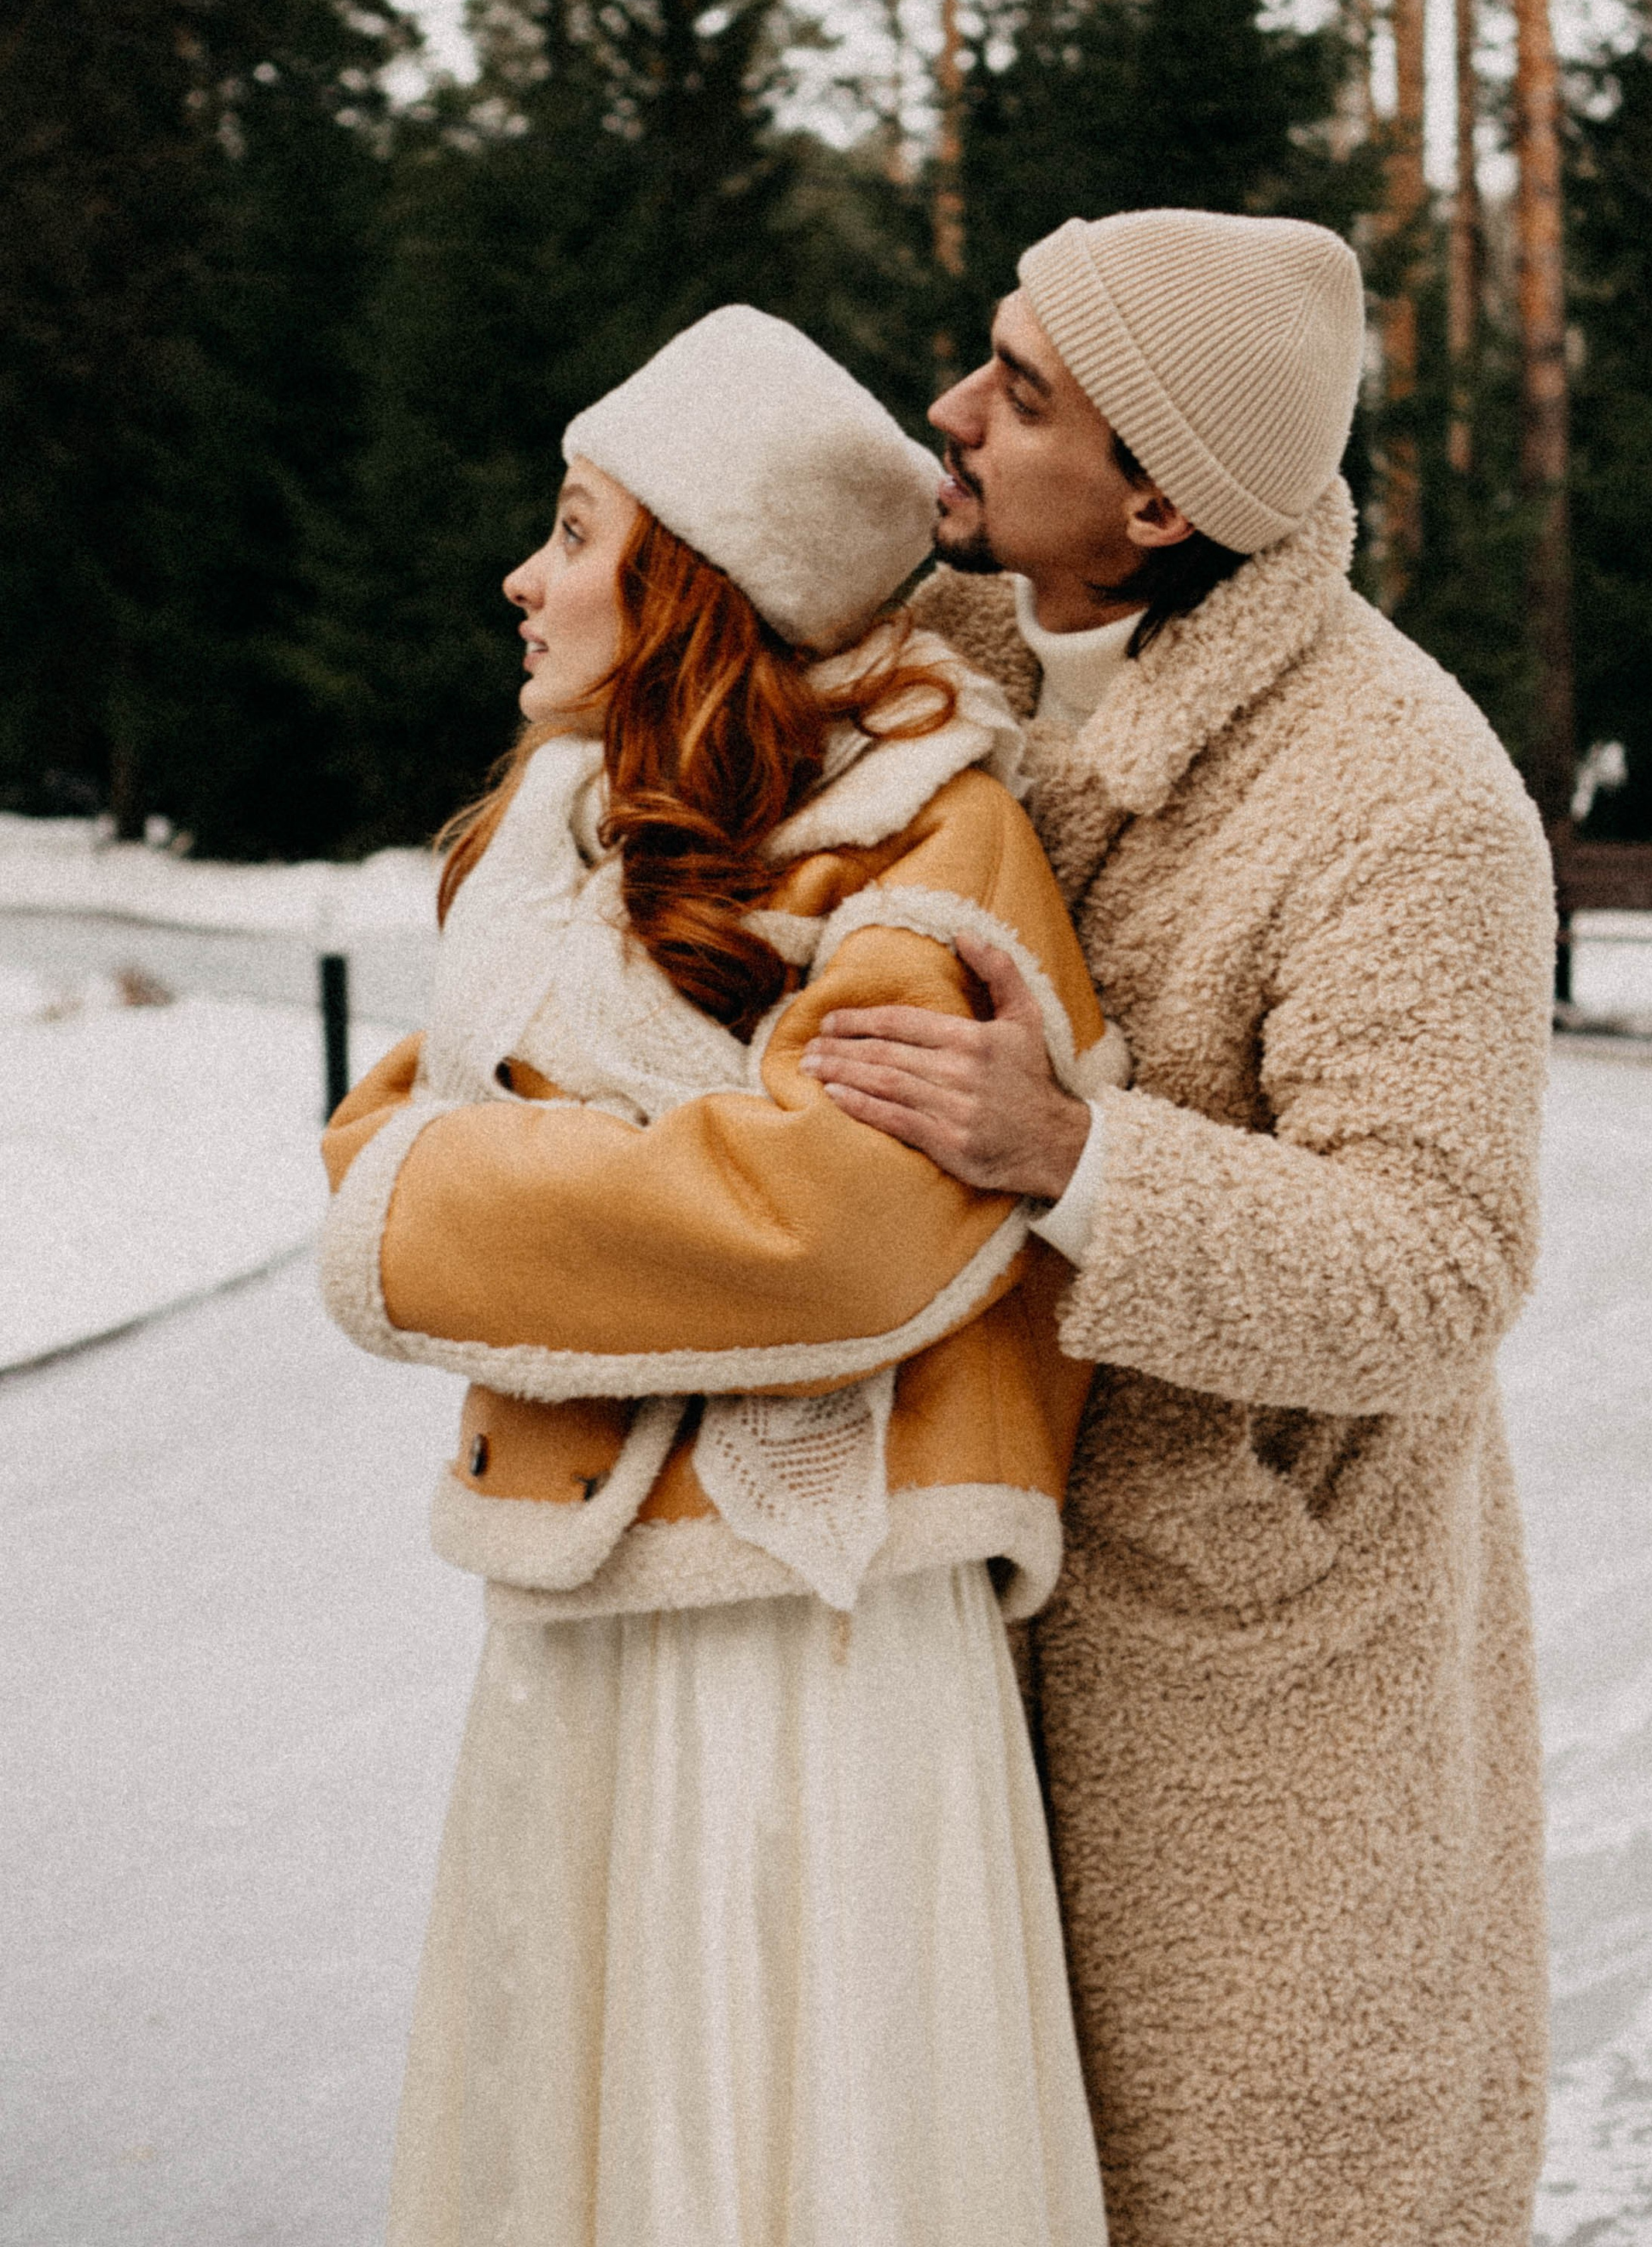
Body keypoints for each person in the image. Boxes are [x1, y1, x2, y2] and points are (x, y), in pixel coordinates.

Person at [317, 305, 1114, 2247]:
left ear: (695, 583)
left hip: (819, 1634)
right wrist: (599, 1157)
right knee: (578, 2138)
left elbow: (830, 1223)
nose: (523, 574)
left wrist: (483, 1166)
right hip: (586, 1614)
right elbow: (376, 1145)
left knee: (812, 2138)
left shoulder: (939, 831)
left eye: (576, 530)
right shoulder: (544, 838)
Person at [801, 210, 1558, 2247]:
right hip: (946, 1609)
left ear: (1155, 498)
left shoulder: (1404, 796)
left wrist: (1080, 1158)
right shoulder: (940, 659)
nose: (949, 413)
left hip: (1251, 1705)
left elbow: (1438, 1268)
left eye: (1019, 391)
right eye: (985, 354)